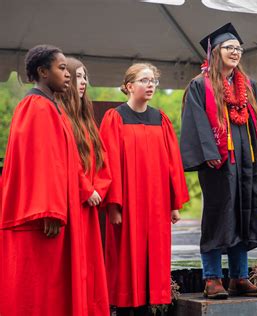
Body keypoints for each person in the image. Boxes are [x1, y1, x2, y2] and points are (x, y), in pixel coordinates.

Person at [180, 23, 257, 299]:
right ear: (215, 52)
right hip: (220, 164)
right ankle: (212, 278)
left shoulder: (247, 85)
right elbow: (196, 121)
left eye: (239, 48)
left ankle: (239, 277)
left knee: (243, 215)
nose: (236, 52)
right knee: (217, 216)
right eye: (230, 48)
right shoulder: (200, 85)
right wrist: (209, 152)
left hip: (246, 162)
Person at [0, 45, 90, 315]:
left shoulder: (49, 106)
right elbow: (42, 162)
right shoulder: (38, 107)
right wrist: (50, 210)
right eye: (61, 68)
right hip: (42, 217)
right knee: (42, 292)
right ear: (42, 72)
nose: (67, 75)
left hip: (52, 210)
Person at [100, 63, 189, 315]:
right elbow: (110, 165)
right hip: (128, 205)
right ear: (129, 86)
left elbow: (173, 164)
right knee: (128, 263)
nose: (150, 85)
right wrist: (113, 206)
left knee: (154, 264)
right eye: (144, 80)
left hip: (157, 205)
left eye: (153, 81)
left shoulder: (160, 119)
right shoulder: (115, 118)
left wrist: (173, 204)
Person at [56, 57, 111, 315]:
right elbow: (64, 160)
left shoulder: (86, 120)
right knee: (74, 265)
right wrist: (85, 190)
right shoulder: (59, 116)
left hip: (90, 205)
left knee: (90, 266)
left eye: (85, 77)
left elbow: (101, 160)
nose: (83, 83)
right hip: (72, 205)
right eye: (78, 77)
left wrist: (99, 188)